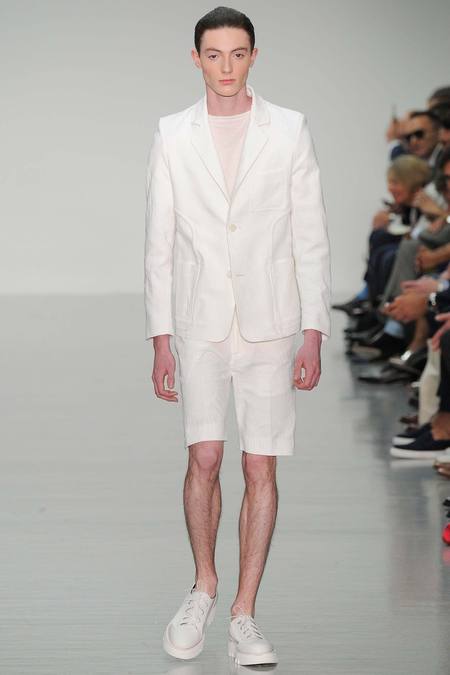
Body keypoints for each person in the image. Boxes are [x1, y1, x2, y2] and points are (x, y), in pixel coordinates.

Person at [143, 5, 331, 667]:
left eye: (238, 53)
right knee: (204, 457)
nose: (227, 66)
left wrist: (314, 330)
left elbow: (310, 234)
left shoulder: (289, 129)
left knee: (260, 464)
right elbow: (159, 242)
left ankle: (245, 612)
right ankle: (204, 586)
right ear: (195, 58)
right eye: (215, 54)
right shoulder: (173, 133)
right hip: (199, 321)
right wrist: (160, 337)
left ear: (255, 55)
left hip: (271, 322)